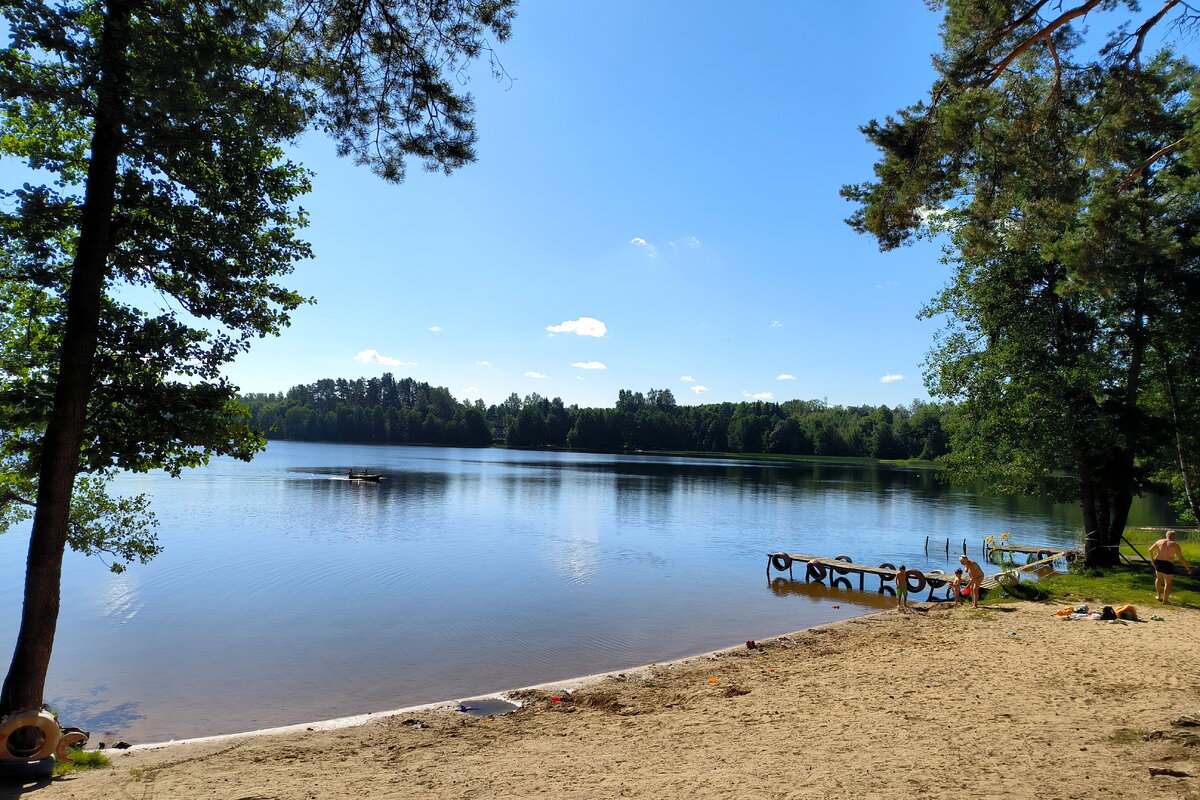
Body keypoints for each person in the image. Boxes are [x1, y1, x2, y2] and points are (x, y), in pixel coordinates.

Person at [1148, 530, 1192, 604]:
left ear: (1166, 536)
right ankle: (1165, 600)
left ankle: (1158, 596)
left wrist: (1153, 561)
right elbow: (1181, 558)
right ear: (1174, 537)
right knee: (1168, 583)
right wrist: (1187, 567)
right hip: (1168, 563)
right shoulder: (1175, 545)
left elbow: (1150, 550)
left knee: (1158, 578)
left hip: (1159, 562)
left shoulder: (1159, 541)